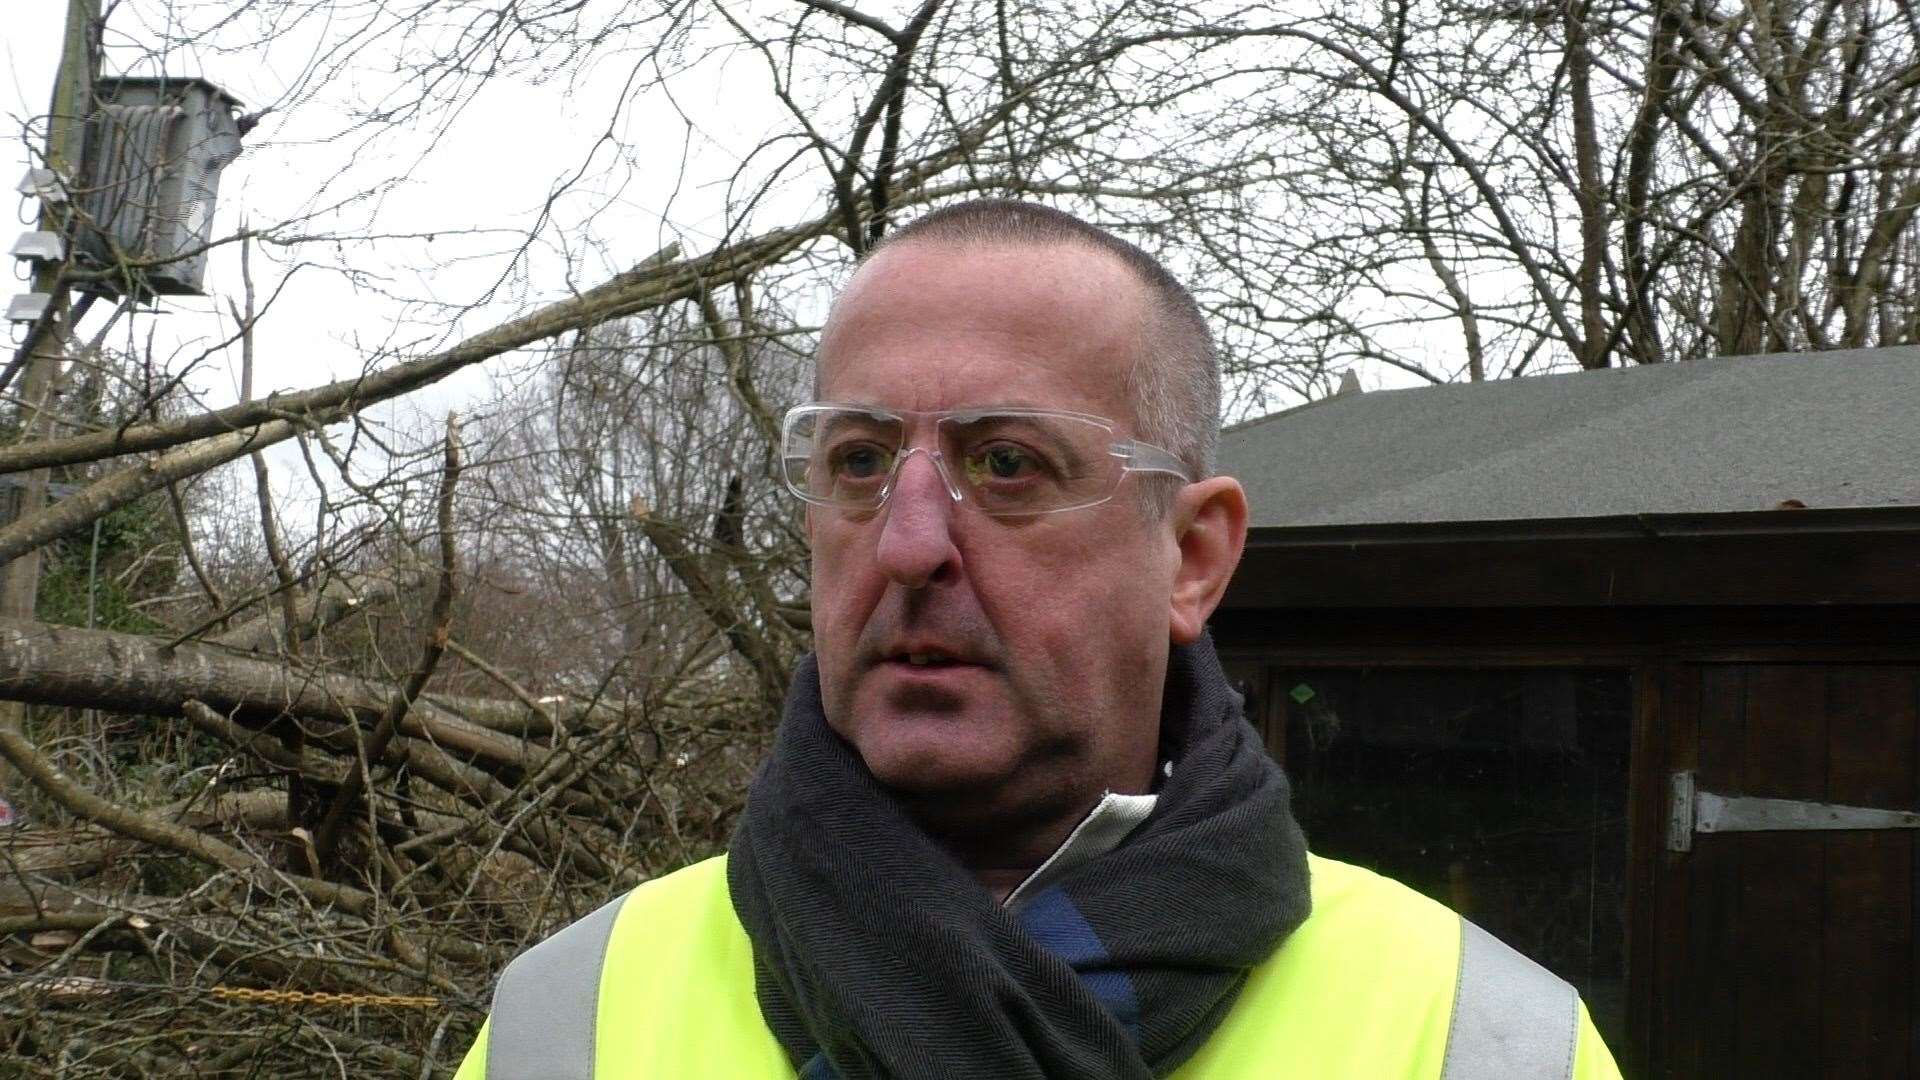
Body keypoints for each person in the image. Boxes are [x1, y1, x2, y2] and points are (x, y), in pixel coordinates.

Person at [454, 199, 1623, 1079]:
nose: (909, 543)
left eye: (1007, 463)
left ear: (1193, 554)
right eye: (857, 462)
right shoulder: (565, 1019)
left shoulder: (1485, 1041)